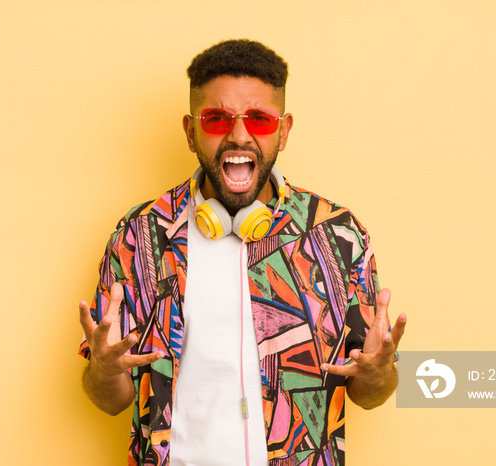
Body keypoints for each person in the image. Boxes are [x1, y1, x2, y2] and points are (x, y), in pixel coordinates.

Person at [78, 39, 406, 466]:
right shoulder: (140, 236)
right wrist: (103, 371)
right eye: (216, 118)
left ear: (284, 131)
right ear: (190, 130)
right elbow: (110, 400)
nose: (239, 135)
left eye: (259, 119)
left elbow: (371, 393)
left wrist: (379, 373)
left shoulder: (337, 234)